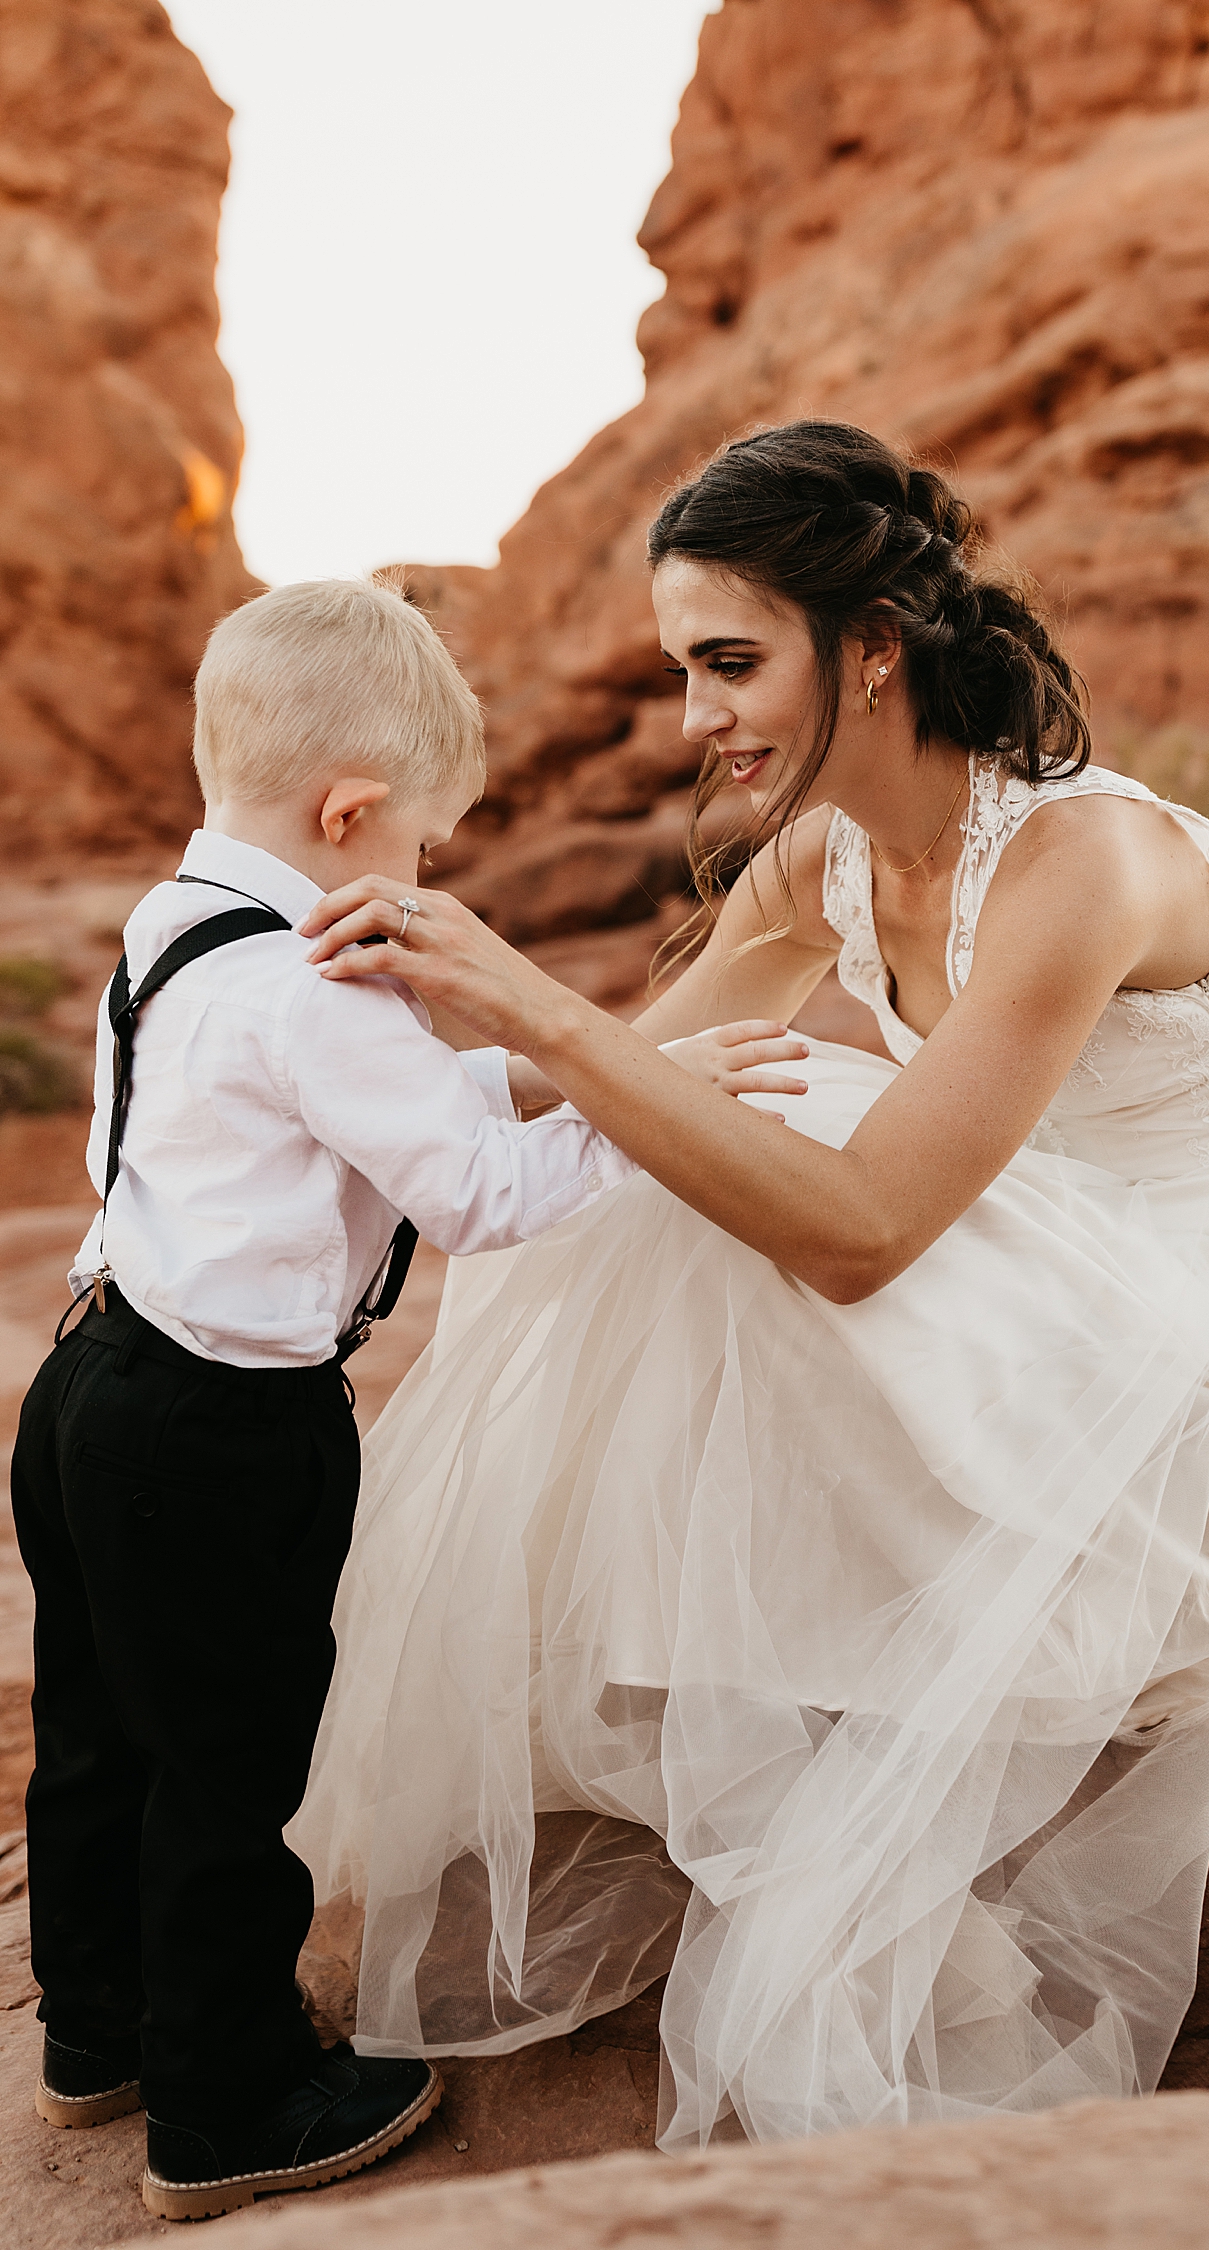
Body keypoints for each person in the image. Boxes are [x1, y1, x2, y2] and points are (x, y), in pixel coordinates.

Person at [292, 424, 1209, 2147]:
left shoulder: (1087, 858)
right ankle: (702, 1654)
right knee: (672, 1158)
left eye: (730, 661)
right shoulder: (824, 855)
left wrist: (534, 1006)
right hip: (1031, 1260)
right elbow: (619, 1066)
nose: (698, 715)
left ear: (873, 647)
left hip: (1197, 1312)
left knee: (755, 1145)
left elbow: (862, 1232)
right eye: (682, 667)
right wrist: (328, 1029)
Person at [11, 576, 797, 2222]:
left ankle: (98, 2033)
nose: (426, 876)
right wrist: (639, 1099)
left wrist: (559, 1055)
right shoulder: (322, 982)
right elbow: (482, 1194)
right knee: (234, 1762)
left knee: (97, 1734)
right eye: (425, 844)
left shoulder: (180, 927)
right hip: (230, 1436)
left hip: (92, 1379)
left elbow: (374, 1099)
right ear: (348, 809)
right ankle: (227, 2099)